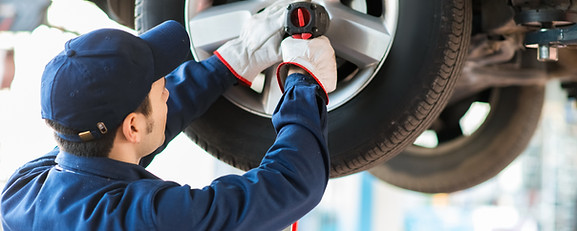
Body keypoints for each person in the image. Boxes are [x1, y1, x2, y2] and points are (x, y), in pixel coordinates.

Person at [0, 0, 337, 230]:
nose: (167, 91)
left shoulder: (22, 192)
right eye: (159, 89)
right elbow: (291, 185)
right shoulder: (145, 221)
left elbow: (119, 142)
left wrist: (228, 64)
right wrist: (303, 82)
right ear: (132, 126)